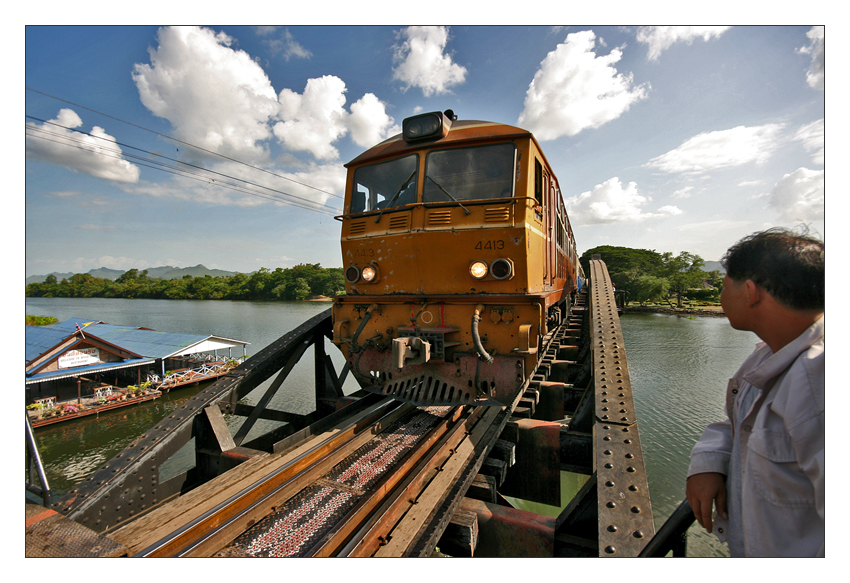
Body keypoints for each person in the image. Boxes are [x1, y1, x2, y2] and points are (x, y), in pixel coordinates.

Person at [685, 227, 824, 557]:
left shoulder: (820, 381)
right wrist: (710, 462)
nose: (720, 297)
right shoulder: (769, 357)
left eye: (722, 286)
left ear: (750, 292)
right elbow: (744, 425)